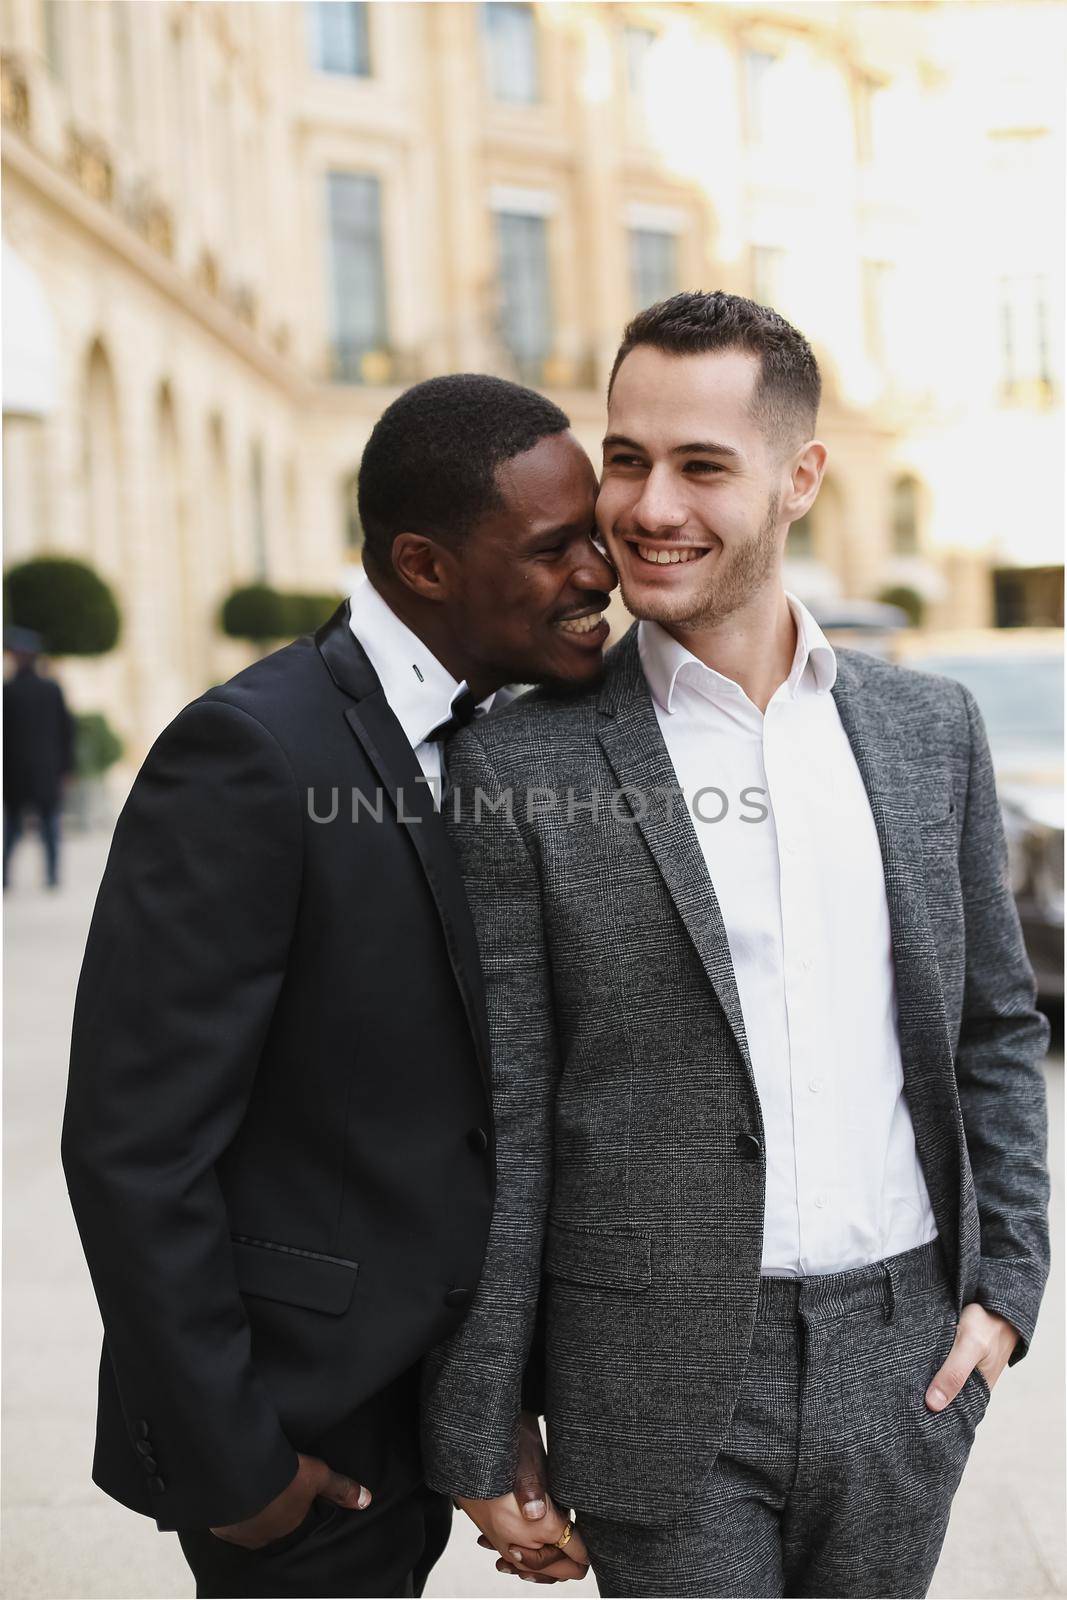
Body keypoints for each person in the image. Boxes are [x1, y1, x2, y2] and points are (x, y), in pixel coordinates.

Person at [421, 294, 1051, 1598]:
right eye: (626, 458)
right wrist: (481, 1417)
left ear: (797, 479)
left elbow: (991, 1028)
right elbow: (507, 1112)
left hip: (904, 1362)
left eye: (701, 466)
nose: (649, 506)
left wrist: (1002, 1290)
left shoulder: (925, 732)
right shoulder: (518, 758)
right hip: (652, 1379)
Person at [62, 373, 615, 1599]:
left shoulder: (503, 735)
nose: (599, 571)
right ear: (422, 564)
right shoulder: (251, 753)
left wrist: (498, 1393)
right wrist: (240, 1468)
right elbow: (133, 1147)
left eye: (593, 533)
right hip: (300, 1430)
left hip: (443, 1392)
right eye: (552, 546)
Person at [3, 627, 74, 890]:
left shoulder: (10, 692)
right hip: (41, 770)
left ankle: (47, 876)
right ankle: (47, 876)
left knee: (29, 827)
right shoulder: (45, 689)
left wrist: (66, 768)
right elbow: (67, 731)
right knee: (37, 827)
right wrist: (67, 768)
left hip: (21, 771)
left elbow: (65, 731)